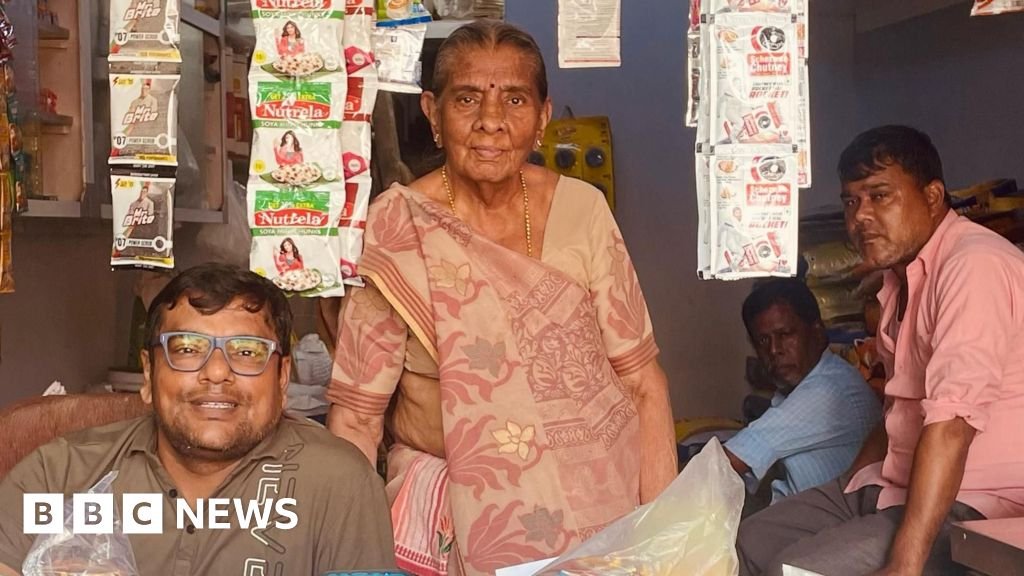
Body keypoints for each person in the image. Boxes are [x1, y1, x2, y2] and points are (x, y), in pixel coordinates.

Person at [327, 20, 677, 576]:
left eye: (514, 99)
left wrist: (662, 543)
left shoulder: (581, 210)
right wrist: (347, 558)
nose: (490, 120)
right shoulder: (397, 229)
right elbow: (355, 418)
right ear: (432, 113)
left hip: (600, 517)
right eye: (467, 98)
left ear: (542, 117)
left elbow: (642, 383)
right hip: (450, 524)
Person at [737, 125, 1024, 576]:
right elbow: (897, 410)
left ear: (932, 196)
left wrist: (905, 565)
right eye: (851, 201)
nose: (861, 217)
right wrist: (849, 488)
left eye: (879, 196)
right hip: (891, 486)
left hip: (971, 502)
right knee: (747, 541)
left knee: (791, 571)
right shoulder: (898, 279)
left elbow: (951, 426)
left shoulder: (974, 265)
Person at [0, 263, 396, 576]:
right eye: (188, 349)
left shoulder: (339, 484)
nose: (217, 373)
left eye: (247, 352)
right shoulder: (58, 476)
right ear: (148, 374)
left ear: (282, 377)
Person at [724, 279, 880, 505]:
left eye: (785, 334)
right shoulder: (798, 389)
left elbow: (726, 462)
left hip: (827, 523)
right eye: (763, 340)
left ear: (817, 333)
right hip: (808, 517)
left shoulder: (828, 390)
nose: (774, 350)